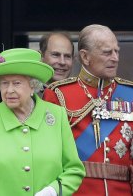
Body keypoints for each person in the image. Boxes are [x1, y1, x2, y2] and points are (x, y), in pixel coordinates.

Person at [0, 48, 85, 195]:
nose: (9, 90)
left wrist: (53, 191)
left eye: (16, 83)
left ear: (33, 85)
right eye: (4, 83)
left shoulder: (57, 115)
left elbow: (74, 170)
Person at [43, 24, 133, 195]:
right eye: (107, 52)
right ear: (85, 57)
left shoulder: (129, 93)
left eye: (117, 51)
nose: (115, 58)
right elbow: (49, 155)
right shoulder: (58, 94)